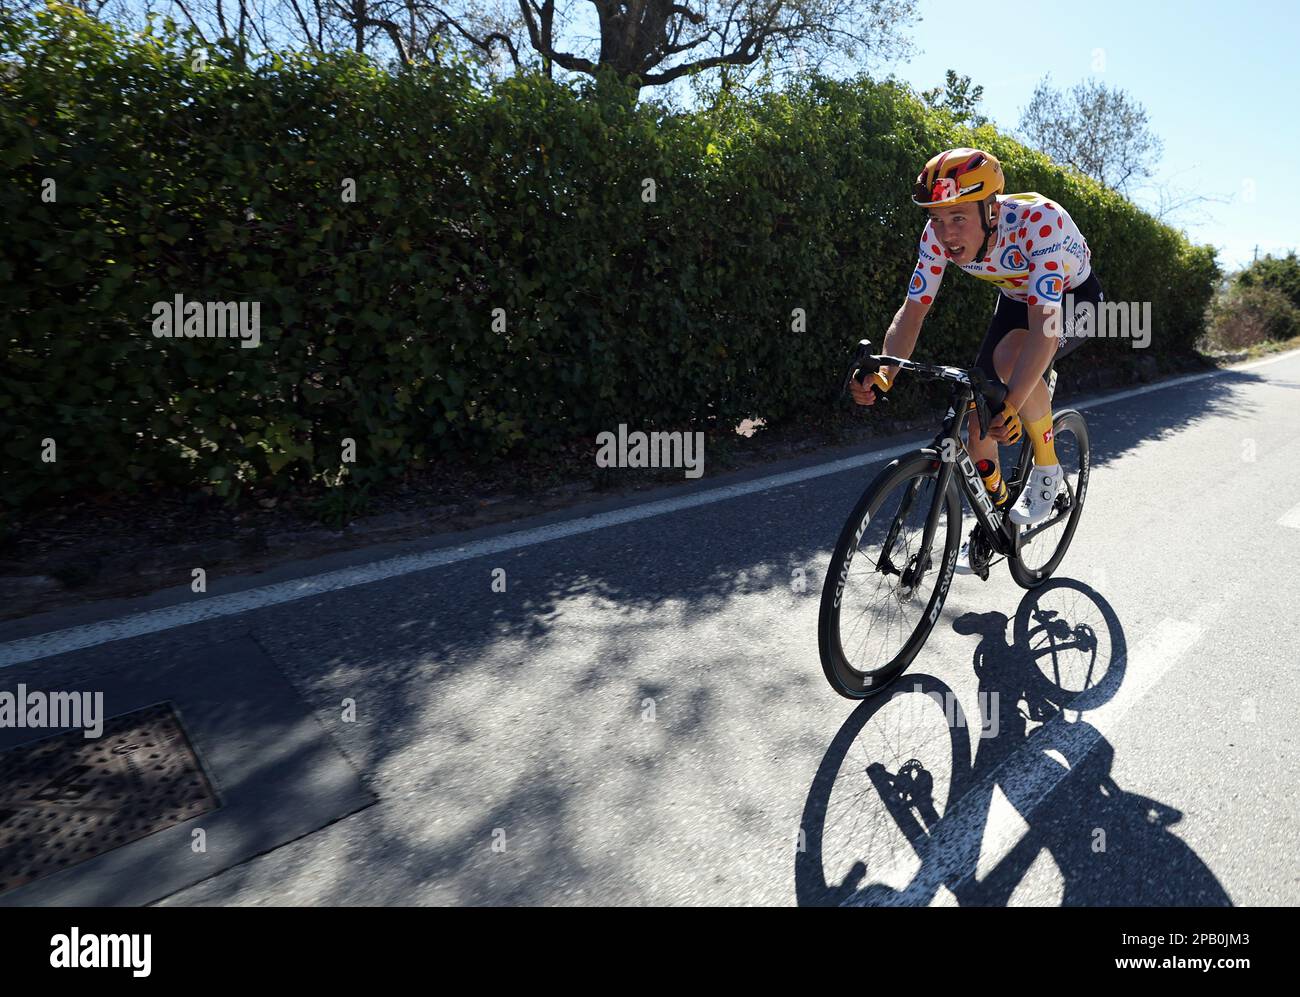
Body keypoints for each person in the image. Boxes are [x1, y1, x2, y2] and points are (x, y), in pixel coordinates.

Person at [850, 147, 1104, 574]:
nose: (946, 233)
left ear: (991, 211)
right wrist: (886, 371)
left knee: (1010, 365)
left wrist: (1012, 402)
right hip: (1017, 299)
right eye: (936, 218)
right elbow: (912, 312)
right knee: (977, 418)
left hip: (1074, 301)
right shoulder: (935, 236)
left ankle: (1047, 467)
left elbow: (1044, 323)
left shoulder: (1039, 222)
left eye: (958, 218)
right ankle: (995, 515)